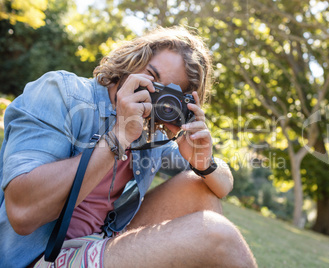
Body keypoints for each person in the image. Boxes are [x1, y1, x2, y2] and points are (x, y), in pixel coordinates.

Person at [0, 26, 257, 267]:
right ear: (133, 59)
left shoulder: (150, 135)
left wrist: (204, 161)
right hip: (40, 258)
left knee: (199, 187)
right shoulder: (63, 92)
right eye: (151, 77)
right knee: (217, 235)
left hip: (101, 245)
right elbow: (23, 214)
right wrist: (118, 136)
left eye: (166, 92)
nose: (151, 93)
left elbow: (223, 186)